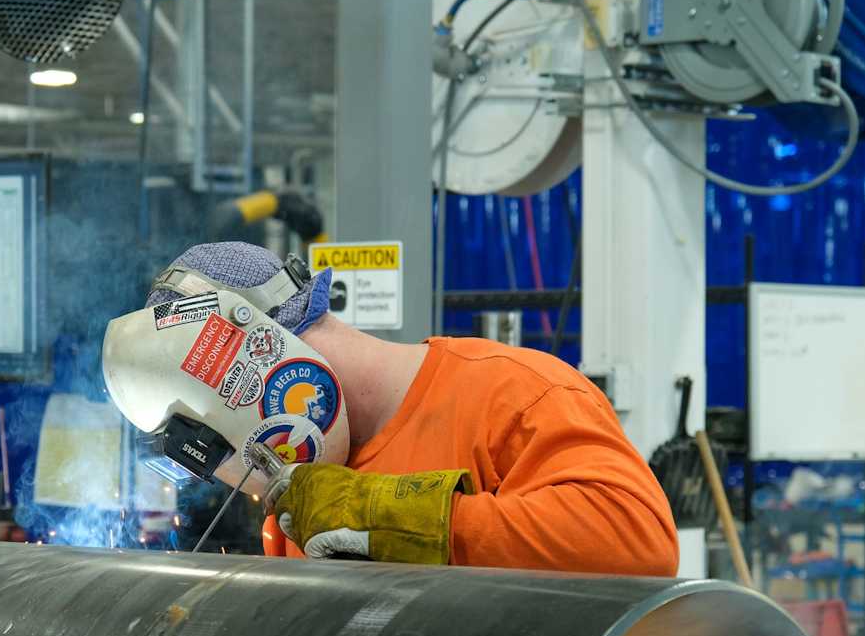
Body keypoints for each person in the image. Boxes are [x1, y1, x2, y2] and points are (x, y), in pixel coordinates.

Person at [130, 242, 678, 577]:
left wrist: (381, 517)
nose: (244, 478)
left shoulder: (513, 393)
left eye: (227, 446)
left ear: (259, 372)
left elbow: (638, 545)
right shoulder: (307, 494)